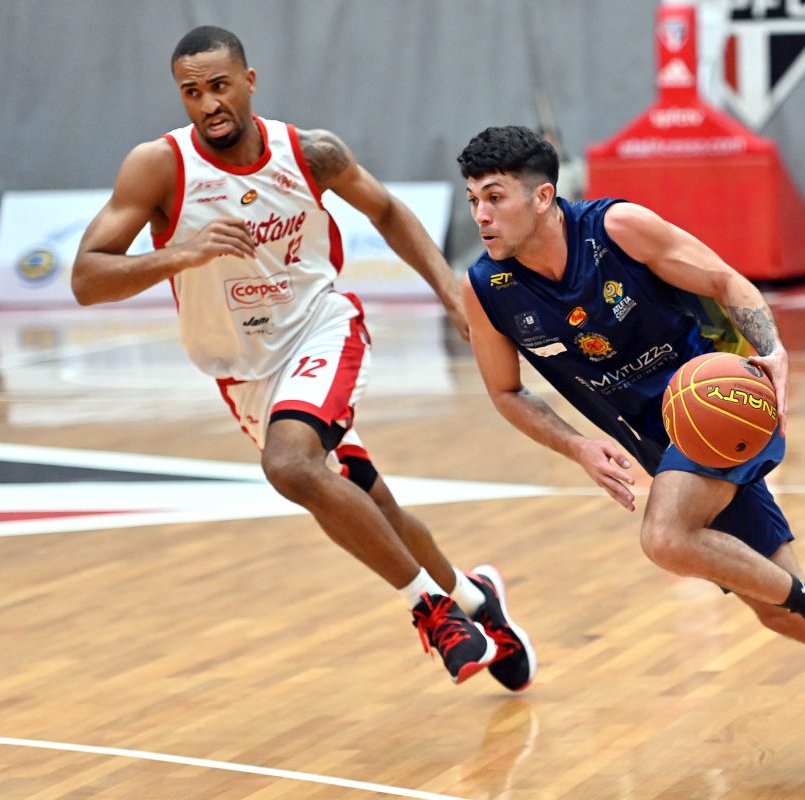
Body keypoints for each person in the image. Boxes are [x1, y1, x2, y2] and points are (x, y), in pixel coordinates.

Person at [455, 125, 805, 761]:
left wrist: (772, 350)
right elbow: (506, 392)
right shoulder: (486, 288)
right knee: (778, 607)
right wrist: (579, 446)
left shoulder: (616, 229)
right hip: (660, 444)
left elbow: (727, 282)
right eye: (473, 199)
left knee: (665, 537)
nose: (480, 215)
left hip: (723, 403)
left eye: (495, 197)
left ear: (542, 197)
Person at [70, 27, 536, 692]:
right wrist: (180, 252)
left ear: (249, 81)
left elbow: (387, 211)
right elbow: (87, 279)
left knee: (289, 466)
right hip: (243, 372)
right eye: (192, 92)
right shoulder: (159, 166)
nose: (208, 104)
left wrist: (450, 292)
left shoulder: (309, 153)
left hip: (320, 329)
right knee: (373, 506)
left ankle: (431, 611)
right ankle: (472, 598)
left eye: (220, 86)